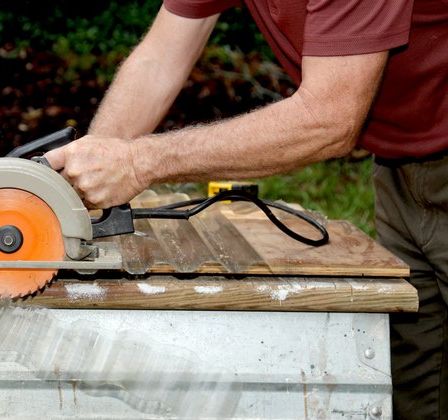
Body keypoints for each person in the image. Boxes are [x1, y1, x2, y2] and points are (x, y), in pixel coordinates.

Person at [44, 1, 448, 418]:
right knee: (415, 387)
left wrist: (137, 162)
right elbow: (159, 59)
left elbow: (329, 118)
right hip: (403, 168)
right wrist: (84, 184)